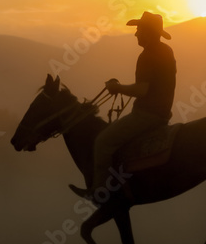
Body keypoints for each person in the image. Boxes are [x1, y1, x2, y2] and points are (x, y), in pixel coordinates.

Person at [72, 11, 176, 203]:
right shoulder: (166, 50)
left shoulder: (146, 56)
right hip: (163, 113)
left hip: (147, 115)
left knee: (103, 142)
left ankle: (99, 191)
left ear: (147, 32)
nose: (136, 34)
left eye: (139, 30)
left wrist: (116, 88)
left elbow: (142, 90)